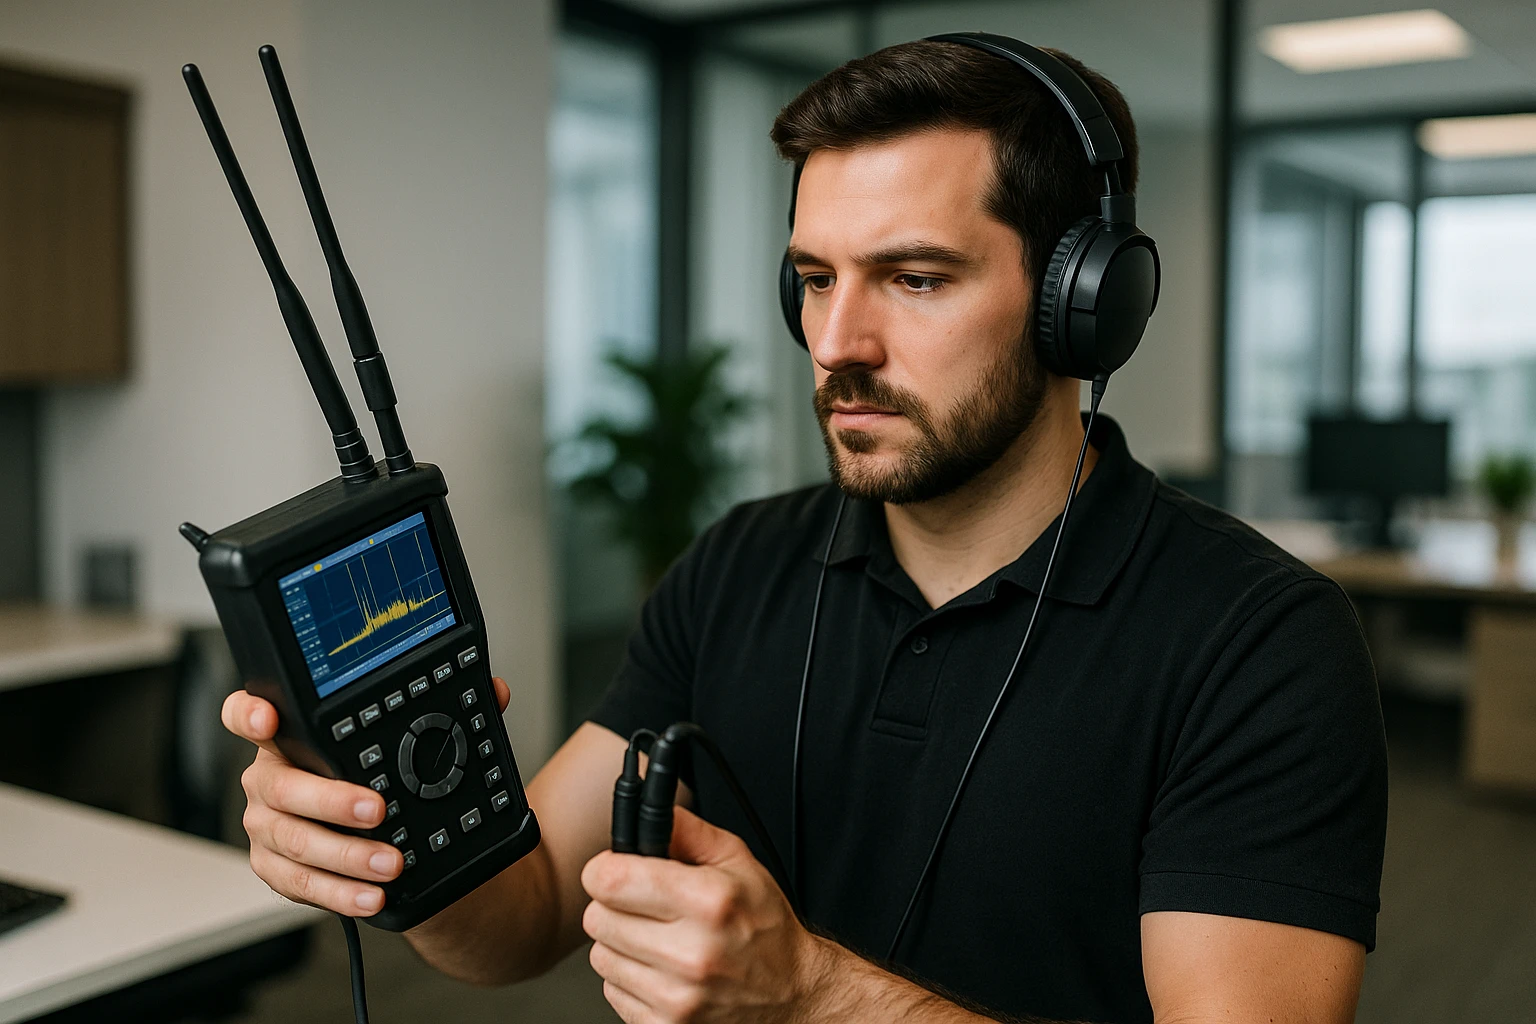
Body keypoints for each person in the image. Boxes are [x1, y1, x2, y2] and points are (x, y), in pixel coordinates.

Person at [222, 38, 1387, 1024]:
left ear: (1080, 304)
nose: (838, 342)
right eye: (814, 279)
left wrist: (814, 992)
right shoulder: (738, 564)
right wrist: (392, 839)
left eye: (915, 279)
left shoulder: (1262, 642)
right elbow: (521, 917)